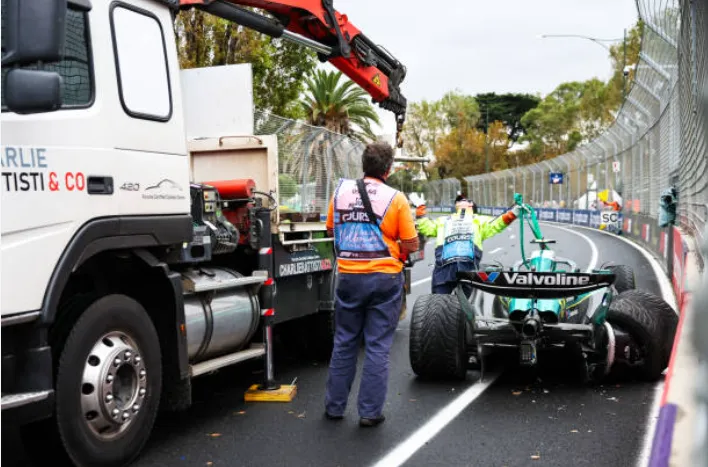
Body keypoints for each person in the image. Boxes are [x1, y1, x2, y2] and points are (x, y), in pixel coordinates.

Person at [324, 142, 419, 427]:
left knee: (344, 342)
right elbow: (411, 242)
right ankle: (369, 412)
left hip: (349, 276)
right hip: (384, 278)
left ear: (364, 165)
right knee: (377, 346)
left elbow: (331, 228)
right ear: (388, 170)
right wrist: (399, 249)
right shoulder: (397, 198)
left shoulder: (339, 192)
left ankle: (334, 408)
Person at [417, 197, 524, 295]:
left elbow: (498, 224)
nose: (463, 201)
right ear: (456, 205)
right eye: (459, 200)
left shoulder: (479, 220)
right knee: (438, 302)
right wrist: (420, 209)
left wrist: (513, 213)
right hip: (446, 264)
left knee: (463, 302)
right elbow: (426, 228)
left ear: (471, 205)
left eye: (466, 200)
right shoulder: (443, 220)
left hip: (466, 263)